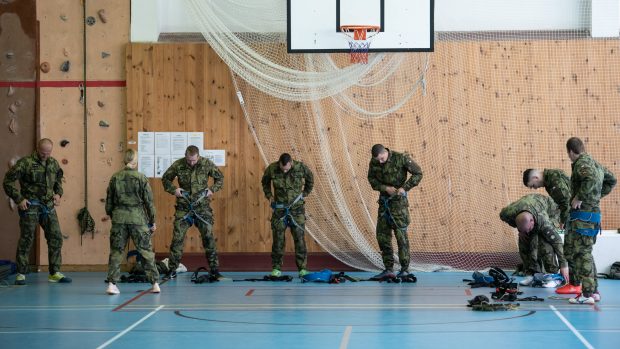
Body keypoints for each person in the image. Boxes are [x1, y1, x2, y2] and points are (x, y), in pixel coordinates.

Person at [2, 138, 71, 285]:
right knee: (27, 239)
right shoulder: (25, 163)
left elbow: (59, 180)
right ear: (37, 149)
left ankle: (54, 273)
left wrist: (58, 194)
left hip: (48, 206)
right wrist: (19, 199)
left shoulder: (53, 163)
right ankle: (21, 273)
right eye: (42, 152)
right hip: (30, 206)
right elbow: (7, 181)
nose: (45, 155)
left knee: (56, 237)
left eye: (48, 152)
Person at [556, 137, 616, 304]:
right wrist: (596, 196)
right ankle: (593, 291)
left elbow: (589, 179)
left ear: (570, 152)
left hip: (583, 217)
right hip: (592, 216)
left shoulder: (582, 164)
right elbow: (612, 180)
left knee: (582, 254)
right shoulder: (595, 163)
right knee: (584, 253)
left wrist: (580, 197)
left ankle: (587, 294)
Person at [162, 145, 224, 280]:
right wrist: (174, 189)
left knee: (208, 237)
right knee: (177, 238)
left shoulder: (206, 164)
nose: (191, 163)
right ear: (186, 156)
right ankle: (172, 269)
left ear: (198, 156)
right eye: (189, 160)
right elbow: (165, 179)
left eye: (194, 160)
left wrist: (212, 189)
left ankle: (214, 269)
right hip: (184, 208)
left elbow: (220, 178)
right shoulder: (178, 164)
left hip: (202, 208)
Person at [104, 149, 160, 295]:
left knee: (116, 251)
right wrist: (152, 221)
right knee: (146, 251)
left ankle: (111, 284)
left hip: (119, 219)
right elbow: (149, 202)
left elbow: (109, 203)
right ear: (135, 161)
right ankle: (154, 283)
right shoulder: (141, 178)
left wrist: (114, 215)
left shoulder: (115, 178)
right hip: (138, 219)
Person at [367, 144, 422, 279]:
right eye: (378, 159)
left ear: (385, 152)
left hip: (399, 204)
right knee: (382, 237)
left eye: (382, 158)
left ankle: (404, 269)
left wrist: (405, 188)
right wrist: (385, 188)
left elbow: (418, 173)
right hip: (384, 204)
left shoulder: (401, 158)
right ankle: (388, 269)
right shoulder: (374, 161)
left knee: (401, 237)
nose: (380, 161)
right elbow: (371, 179)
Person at [261, 153, 314, 277]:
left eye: (287, 168)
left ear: (291, 163)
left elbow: (310, 179)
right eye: (282, 168)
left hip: (297, 209)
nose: (284, 170)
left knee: (299, 239)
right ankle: (276, 268)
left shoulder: (301, 167)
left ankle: (302, 269)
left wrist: (305, 193)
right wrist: (269, 196)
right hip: (280, 210)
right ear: (279, 163)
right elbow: (264, 183)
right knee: (278, 240)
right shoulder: (272, 168)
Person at [499, 193, 569, 285]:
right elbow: (503, 216)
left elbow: (557, 242)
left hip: (552, 213)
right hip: (530, 210)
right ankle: (531, 272)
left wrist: (564, 265)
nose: (528, 232)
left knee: (543, 241)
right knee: (523, 240)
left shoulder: (543, 221)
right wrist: (521, 231)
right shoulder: (508, 213)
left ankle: (552, 275)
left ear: (532, 221)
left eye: (528, 229)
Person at [521, 168, 571, 279]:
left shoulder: (553, 180)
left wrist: (563, 220)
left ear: (535, 178)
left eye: (533, 185)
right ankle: (554, 273)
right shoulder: (550, 180)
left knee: (567, 245)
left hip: (572, 214)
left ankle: (565, 275)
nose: (535, 188)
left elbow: (566, 202)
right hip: (567, 214)